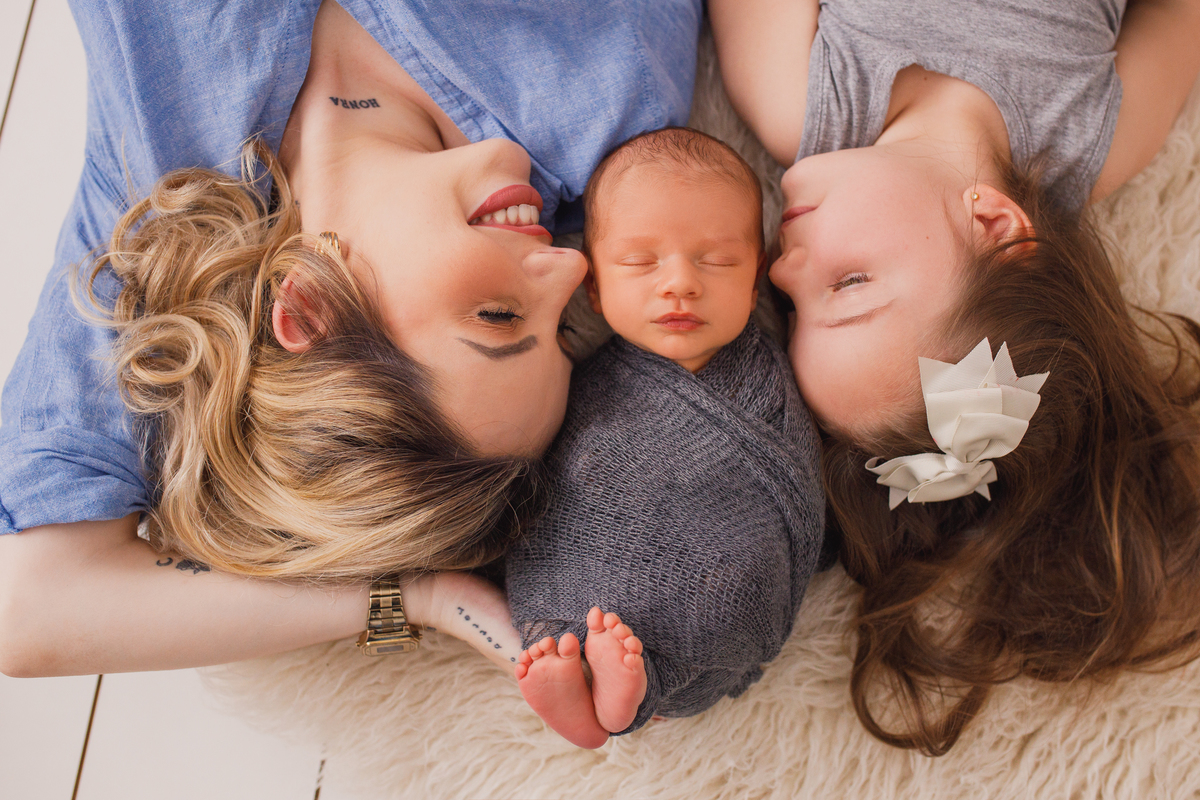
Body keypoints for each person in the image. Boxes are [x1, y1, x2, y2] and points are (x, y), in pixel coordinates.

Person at [0, 0, 702, 678]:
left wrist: (410, 598)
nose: (570, 266)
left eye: (499, 316)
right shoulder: (607, 89)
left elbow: (31, 606)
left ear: (308, 312)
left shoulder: (161, 186)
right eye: (561, 324)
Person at [710, 0, 1200, 754]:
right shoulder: (1094, 141)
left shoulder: (798, 97)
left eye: (793, 303)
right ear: (997, 229)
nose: (783, 264)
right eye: (847, 286)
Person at [503, 128, 826, 748]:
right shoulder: (579, 376)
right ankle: (579, 674)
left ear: (755, 280)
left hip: (715, 585)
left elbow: (797, 487)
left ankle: (637, 683)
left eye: (717, 260)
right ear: (594, 287)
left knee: (738, 569)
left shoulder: (771, 376)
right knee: (574, 503)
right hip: (582, 570)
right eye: (640, 262)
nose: (680, 282)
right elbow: (555, 468)